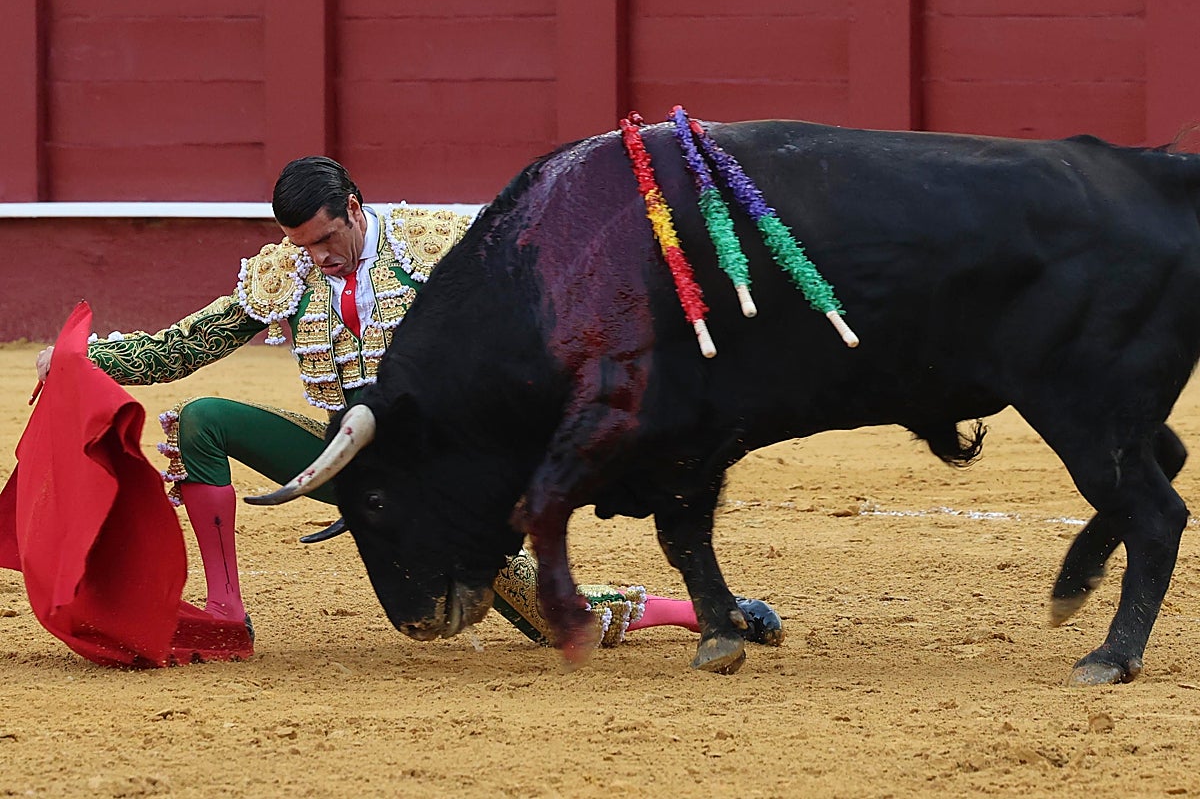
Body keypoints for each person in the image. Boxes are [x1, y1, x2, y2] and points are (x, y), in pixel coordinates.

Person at [35, 156, 783, 653]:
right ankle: (229, 609)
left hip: (444, 472)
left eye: (327, 238)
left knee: (510, 620)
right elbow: (180, 349)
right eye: (303, 246)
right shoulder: (286, 271)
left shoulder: (441, 244)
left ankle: (698, 611)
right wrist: (81, 357)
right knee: (204, 420)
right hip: (341, 453)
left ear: (354, 209)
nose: (318, 256)